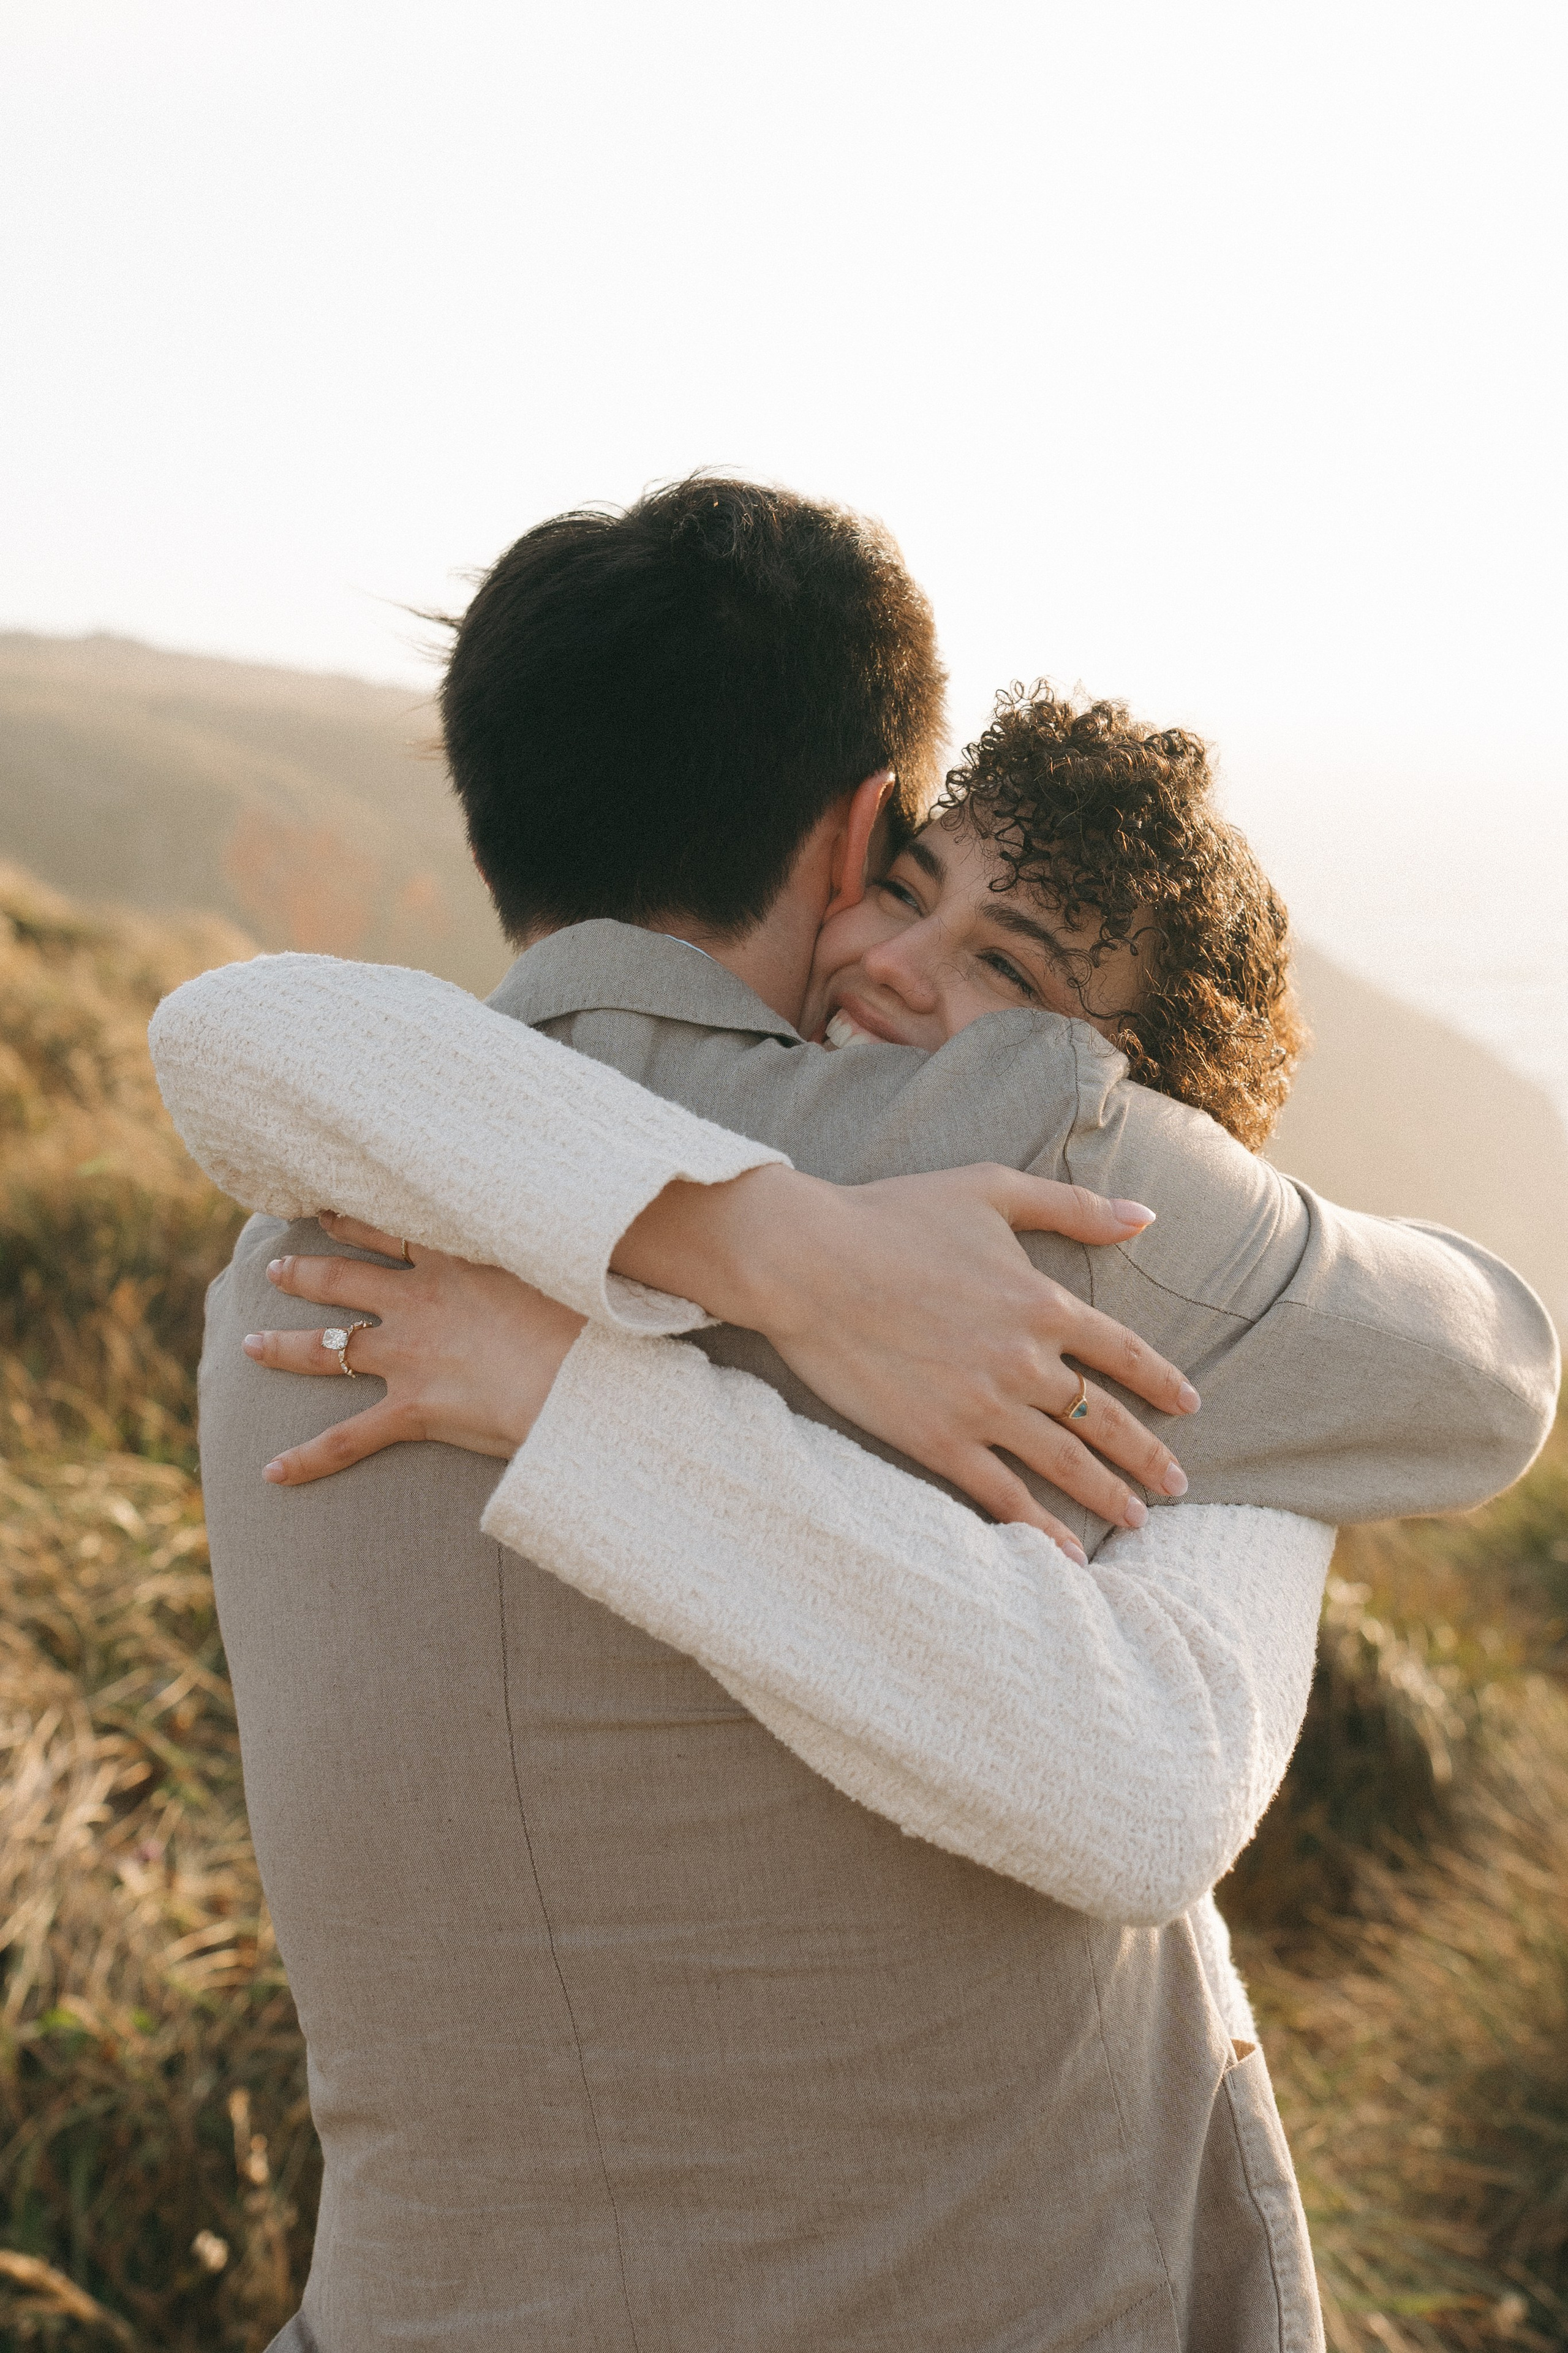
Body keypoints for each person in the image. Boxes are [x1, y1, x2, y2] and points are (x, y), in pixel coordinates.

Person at [154, 479, 1558, 2353]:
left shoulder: (288, 1240)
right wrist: (799, 1255)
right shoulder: (1049, 1183)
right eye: (916, 892)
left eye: (1011, 970)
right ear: (858, 832)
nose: (914, 977)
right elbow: (1489, 1357)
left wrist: (622, 1367)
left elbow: (229, 1033)